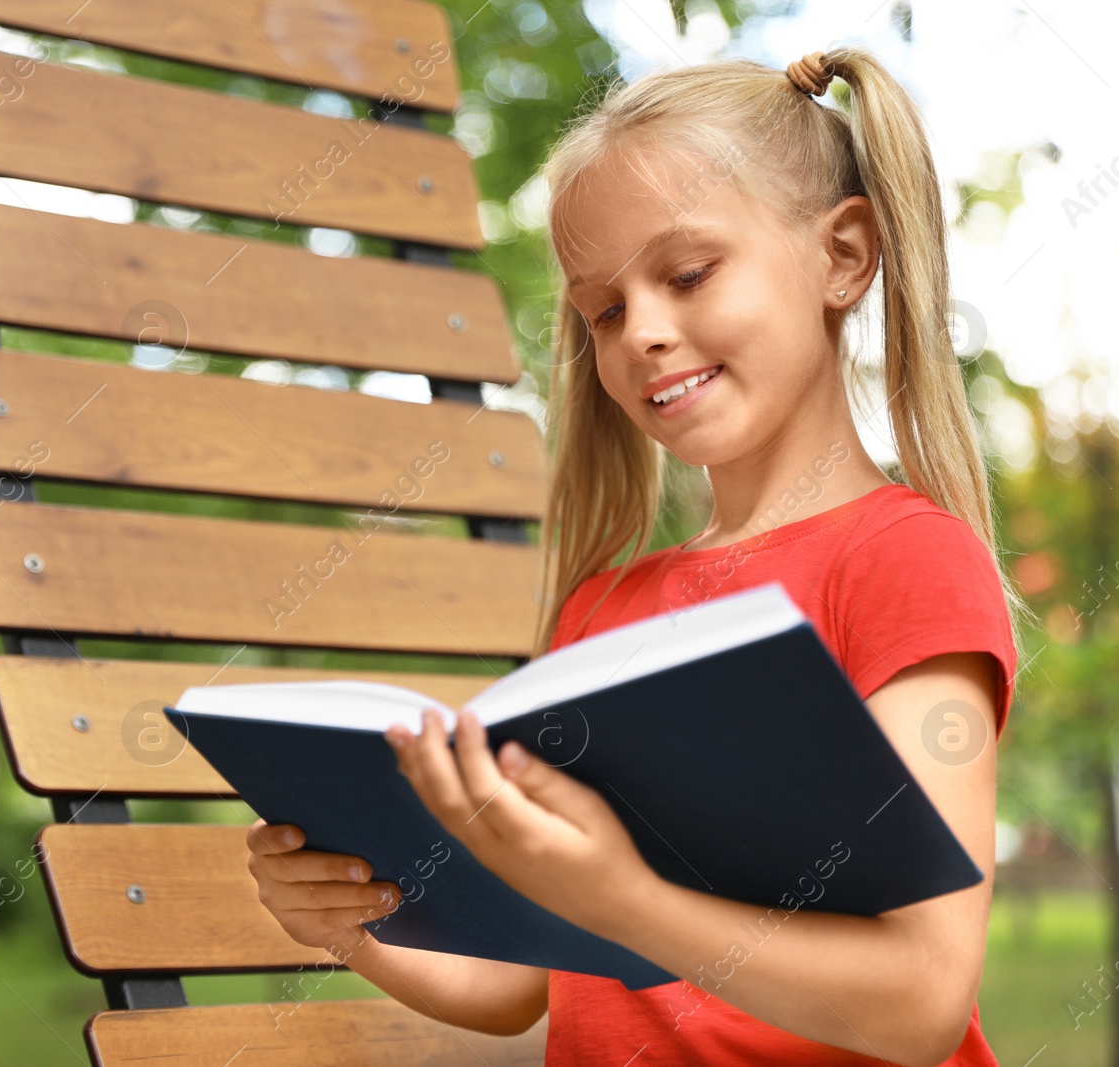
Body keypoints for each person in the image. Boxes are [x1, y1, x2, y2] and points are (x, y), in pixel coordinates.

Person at [245, 47, 1031, 1066]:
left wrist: (627, 898)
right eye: (604, 309)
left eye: (688, 273)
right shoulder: (600, 612)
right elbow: (519, 983)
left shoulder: (906, 562)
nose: (642, 334)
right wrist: (347, 924)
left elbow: (920, 1001)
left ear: (842, 255)